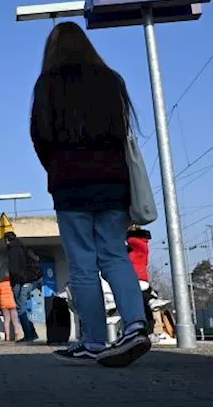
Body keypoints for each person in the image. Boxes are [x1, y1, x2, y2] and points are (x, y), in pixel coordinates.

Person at [30, 21, 154, 368]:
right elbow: (122, 131)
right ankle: (135, 326)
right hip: (113, 183)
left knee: (83, 264)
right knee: (114, 255)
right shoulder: (111, 80)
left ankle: (94, 341)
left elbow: (39, 134)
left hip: (70, 183)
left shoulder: (48, 84)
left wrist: (57, 167)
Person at [3, 231, 42, 342]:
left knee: (20, 309)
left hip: (21, 282)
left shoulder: (13, 249)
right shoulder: (22, 247)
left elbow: (14, 269)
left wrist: (16, 282)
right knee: (22, 308)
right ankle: (32, 334)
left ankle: (29, 335)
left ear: (7, 239)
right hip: (29, 281)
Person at [0, 273, 19, 342]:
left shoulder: (0, 285)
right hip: (12, 303)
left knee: (6, 321)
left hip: (4, 305)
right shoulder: (12, 283)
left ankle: (7, 337)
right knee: (15, 321)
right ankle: (17, 336)